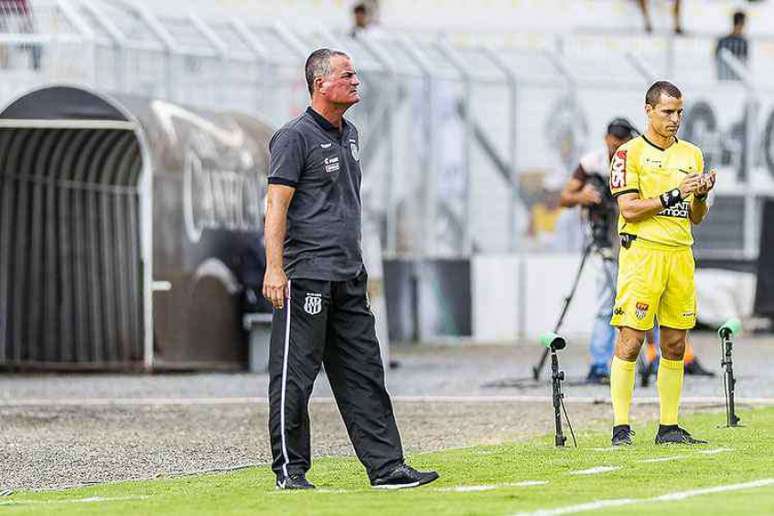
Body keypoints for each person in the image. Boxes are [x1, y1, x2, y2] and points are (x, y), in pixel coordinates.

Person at [263, 48, 438, 490]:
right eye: (347, 74)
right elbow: (275, 207)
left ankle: (386, 467)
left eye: (355, 74)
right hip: (306, 276)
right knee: (295, 379)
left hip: (348, 276)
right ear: (320, 83)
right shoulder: (293, 137)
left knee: (365, 372)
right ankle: (290, 471)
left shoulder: (351, 133)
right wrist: (274, 269)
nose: (356, 80)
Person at [608, 81, 716, 446]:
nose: (675, 119)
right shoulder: (628, 154)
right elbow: (629, 209)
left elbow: (696, 216)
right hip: (643, 254)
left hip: (680, 254)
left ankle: (668, 426)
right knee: (631, 340)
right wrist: (675, 192)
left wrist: (699, 196)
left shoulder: (692, 154)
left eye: (680, 112)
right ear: (648, 110)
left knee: (675, 344)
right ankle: (621, 427)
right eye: (668, 112)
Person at [559, 118, 639, 384]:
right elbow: (565, 197)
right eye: (613, 141)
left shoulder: (636, 160)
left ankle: (647, 360)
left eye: (621, 142)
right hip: (605, 242)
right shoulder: (592, 164)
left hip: (632, 241)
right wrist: (583, 197)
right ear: (606, 139)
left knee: (638, 306)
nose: (616, 146)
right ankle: (600, 364)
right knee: (607, 305)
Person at [715, 11, 748, 81]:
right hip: (732, 79)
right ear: (741, 23)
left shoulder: (722, 40)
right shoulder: (743, 42)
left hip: (725, 78)